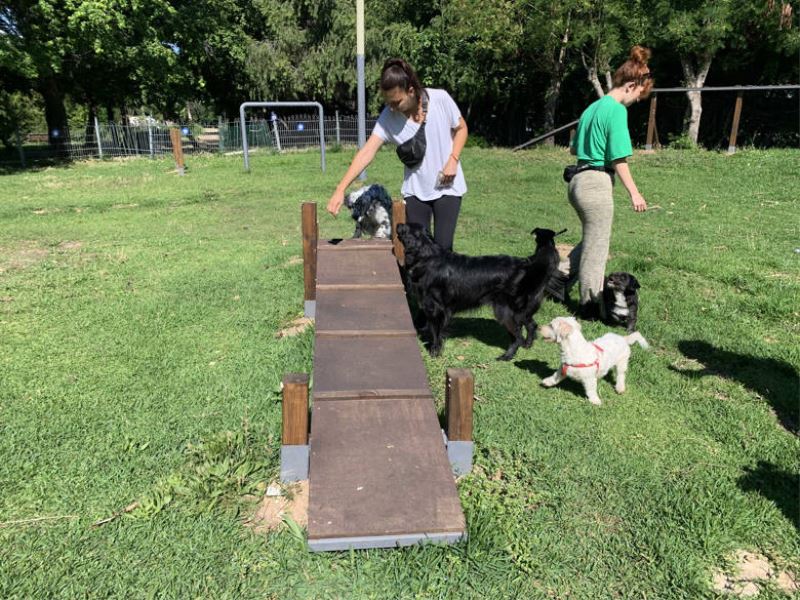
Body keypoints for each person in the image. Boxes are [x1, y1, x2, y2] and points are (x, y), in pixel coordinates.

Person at [327, 58, 468, 251]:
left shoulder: (440, 99)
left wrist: (453, 160)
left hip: (448, 187)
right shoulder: (388, 117)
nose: (392, 107)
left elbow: (461, 128)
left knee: (443, 250)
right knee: (419, 251)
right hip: (415, 192)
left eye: (396, 102)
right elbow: (367, 152)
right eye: (388, 102)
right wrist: (340, 189)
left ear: (411, 91)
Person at [566, 45, 651, 319]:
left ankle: (556, 277)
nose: (636, 101)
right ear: (630, 86)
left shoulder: (592, 107)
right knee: (597, 249)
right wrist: (634, 193)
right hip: (596, 183)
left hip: (577, 181)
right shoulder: (616, 110)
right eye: (638, 95)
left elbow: (573, 148)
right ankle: (590, 307)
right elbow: (618, 158)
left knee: (592, 239)